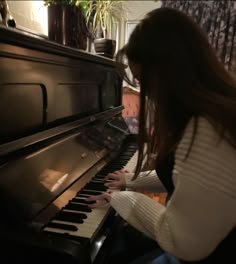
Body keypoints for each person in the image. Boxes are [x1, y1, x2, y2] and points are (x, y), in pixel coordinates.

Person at [85, 7, 236, 264]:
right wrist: (132, 181)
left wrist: (119, 197)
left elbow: (181, 241)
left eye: (143, 81)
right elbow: (191, 175)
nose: (146, 93)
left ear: (168, 75)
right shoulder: (217, 110)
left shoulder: (208, 130)